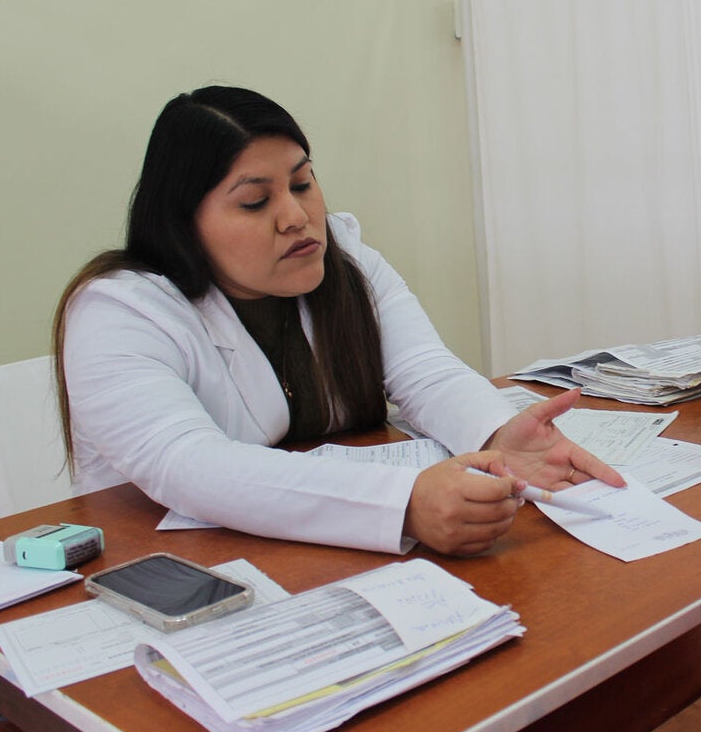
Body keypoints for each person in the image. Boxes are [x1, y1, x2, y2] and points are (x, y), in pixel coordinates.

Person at [54, 86, 623, 556]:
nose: (297, 217)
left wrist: (498, 435)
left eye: (302, 184)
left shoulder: (343, 258)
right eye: (256, 202)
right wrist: (404, 502)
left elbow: (424, 371)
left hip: (316, 555)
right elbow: (189, 466)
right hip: (172, 565)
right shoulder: (120, 312)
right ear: (184, 223)